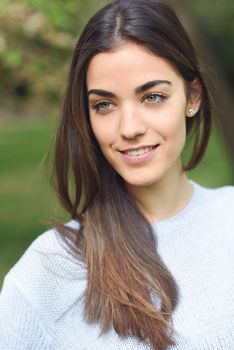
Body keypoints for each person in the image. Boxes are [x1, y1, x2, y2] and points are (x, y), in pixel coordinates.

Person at [0, 0, 234, 349]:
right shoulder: (49, 271)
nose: (129, 128)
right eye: (104, 104)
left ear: (193, 96)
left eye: (152, 97)